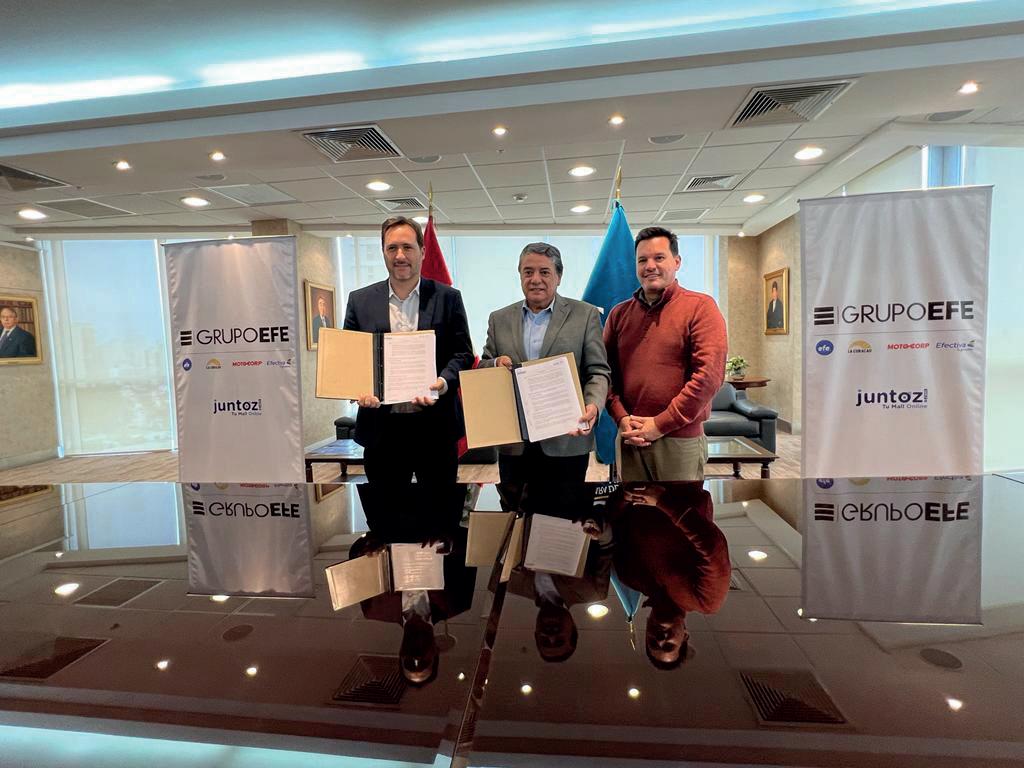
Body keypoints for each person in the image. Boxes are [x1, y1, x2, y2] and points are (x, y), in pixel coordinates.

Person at [343, 216, 474, 495]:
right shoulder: (359, 300)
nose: (400, 255)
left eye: (407, 247)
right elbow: (351, 358)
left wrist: (442, 382)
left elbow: (462, 353)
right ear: (383, 252)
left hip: (436, 428)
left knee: (439, 512)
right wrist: (358, 388)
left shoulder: (448, 297)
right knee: (387, 512)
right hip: (381, 430)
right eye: (392, 248)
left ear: (422, 251)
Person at [479, 242, 610, 489]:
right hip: (514, 442)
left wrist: (593, 404)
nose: (535, 279)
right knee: (514, 509)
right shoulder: (499, 319)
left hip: (566, 440)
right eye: (528, 272)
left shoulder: (585, 315)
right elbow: (484, 366)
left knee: (565, 510)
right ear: (520, 275)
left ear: (559, 277)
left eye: (545, 272)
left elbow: (598, 371)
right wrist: (496, 363)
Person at [604, 226, 727, 481]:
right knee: (631, 507)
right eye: (642, 260)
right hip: (629, 436)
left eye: (659, 257)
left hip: (678, 440)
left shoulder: (701, 307)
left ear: (677, 262)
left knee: (680, 507)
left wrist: (660, 424)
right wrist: (621, 417)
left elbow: (708, 378)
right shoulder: (619, 314)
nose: (650, 266)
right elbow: (605, 373)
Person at [608, 483, 730, 670]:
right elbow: (713, 547)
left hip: (636, 481)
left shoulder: (630, 577)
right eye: (669, 646)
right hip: (682, 482)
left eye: (652, 643)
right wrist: (663, 501)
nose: (660, 639)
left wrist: (624, 498)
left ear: (646, 631)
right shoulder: (706, 601)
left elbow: (615, 525)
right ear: (685, 635)